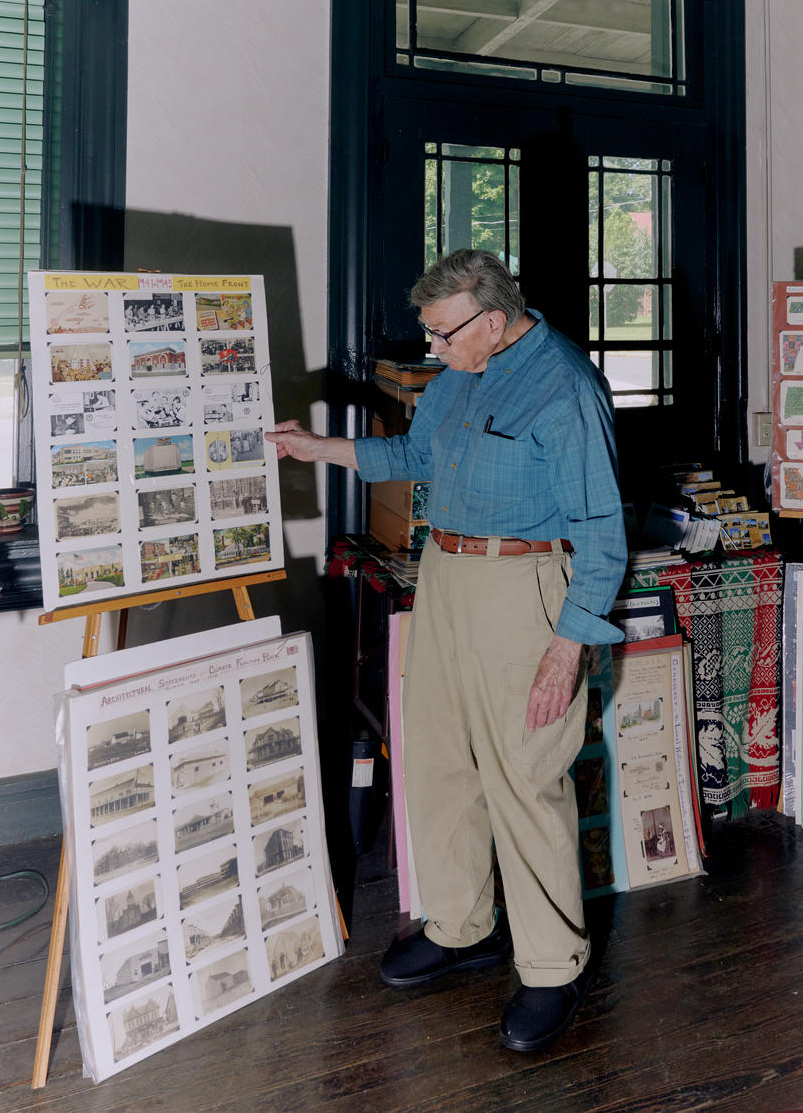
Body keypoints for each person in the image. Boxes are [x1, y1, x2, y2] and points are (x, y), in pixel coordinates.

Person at [265, 249, 626, 1052]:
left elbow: (604, 536)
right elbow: (418, 459)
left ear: (491, 320)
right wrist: (315, 449)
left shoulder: (567, 388)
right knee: (437, 761)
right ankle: (462, 927)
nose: (433, 349)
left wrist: (566, 651)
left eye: (442, 334)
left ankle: (551, 967)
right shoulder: (465, 371)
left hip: (524, 590)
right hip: (446, 578)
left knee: (526, 779)